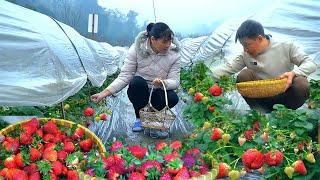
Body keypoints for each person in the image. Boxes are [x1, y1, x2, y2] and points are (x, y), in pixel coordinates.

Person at [91, 22, 180, 138]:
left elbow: (175, 81)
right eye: (164, 42)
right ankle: (140, 118)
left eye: (170, 41)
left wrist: (164, 82)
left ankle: (152, 122)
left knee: (173, 97)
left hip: (159, 90)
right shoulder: (137, 49)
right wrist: (104, 93)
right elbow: (125, 75)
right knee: (136, 83)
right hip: (141, 90)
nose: (168, 45)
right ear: (153, 39)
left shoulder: (174, 54)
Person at [211, 19, 317, 113]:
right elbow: (227, 68)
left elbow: (311, 63)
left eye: (247, 45)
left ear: (260, 39)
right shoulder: (246, 54)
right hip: (261, 97)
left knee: (301, 83)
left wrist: (294, 73)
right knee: (244, 75)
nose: (245, 49)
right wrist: (204, 76)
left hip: (286, 94)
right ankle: (259, 113)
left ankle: (287, 115)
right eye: (243, 46)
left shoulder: (286, 46)